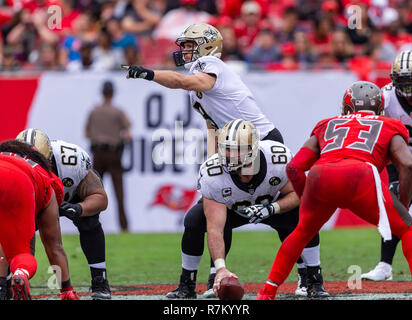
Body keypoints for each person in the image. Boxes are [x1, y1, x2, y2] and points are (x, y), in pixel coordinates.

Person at [122, 22, 325, 298]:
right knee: (202, 218)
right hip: (230, 147)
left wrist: (150, 74)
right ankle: (204, 279)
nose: (183, 51)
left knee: (290, 209)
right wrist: (212, 168)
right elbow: (212, 127)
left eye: (188, 45)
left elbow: (185, 82)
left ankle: (311, 278)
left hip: (263, 143)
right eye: (182, 45)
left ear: (206, 46)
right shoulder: (199, 88)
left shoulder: (209, 66)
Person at [256, 81, 412, 300]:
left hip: (321, 176)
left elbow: (293, 167)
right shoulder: (389, 124)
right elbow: (407, 164)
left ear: (346, 108)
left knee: (301, 232)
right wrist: (403, 204)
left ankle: (267, 291)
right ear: (379, 108)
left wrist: (306, 197)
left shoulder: (327, 124)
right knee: (407, 229)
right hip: (360, 175)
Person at [168, 120, 328, 299]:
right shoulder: (213, 172)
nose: (228, 154)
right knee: (194, 220)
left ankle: (314, 280)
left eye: (236, 149)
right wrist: (221, 268)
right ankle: (187, 284)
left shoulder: (278, 157)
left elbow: (299, 194)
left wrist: (273, 208)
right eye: (225, 148)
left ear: (252, 149)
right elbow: (215, 228)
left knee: (304, 214)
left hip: (270, 206)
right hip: (232, 210)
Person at [15, 128, 111, 299]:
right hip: (32, 201)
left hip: (69, 196)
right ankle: (10, 283)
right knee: (18, 237)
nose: (35, 168)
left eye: (39, 163)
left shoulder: (71, 161)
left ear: (49, 157)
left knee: (89, 222)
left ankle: (99, 279)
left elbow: (101, 198)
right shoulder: (12, 168)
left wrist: (80, 208)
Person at [0, 139, 80, 300]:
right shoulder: (46, 177)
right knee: (21, 254)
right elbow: (54, 247)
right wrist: (66, 289)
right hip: (19, 181)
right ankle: (21, 274)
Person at [361, 50, 412, 281]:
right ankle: (385, 265)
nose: (408, 89)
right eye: (404, 82)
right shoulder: (387, 98)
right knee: (394, 207)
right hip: (399, 160)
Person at [85, 80, 132, 232]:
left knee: (93, 191)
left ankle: (88, 223)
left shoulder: (94, 111)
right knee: (119, 192)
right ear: (113, 94)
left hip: (98, 153)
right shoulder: (118, 112)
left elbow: (87, 133)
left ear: (102, 93)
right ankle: (124, 227)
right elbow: (128, 132)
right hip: (113, 154)